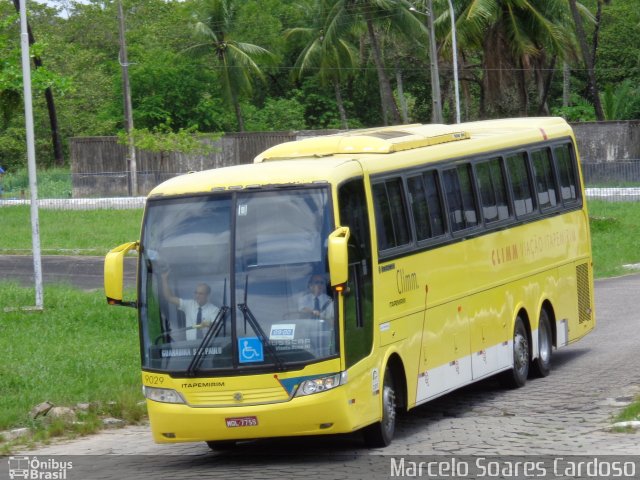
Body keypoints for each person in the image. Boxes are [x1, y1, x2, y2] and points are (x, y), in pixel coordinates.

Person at [161, 271, 219, 341]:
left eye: (201, 294)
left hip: (208, 348)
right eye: (196, 293)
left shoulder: (214, 310)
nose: (197, 296)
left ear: (208, 295)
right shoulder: (189, 305)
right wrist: (164, 279)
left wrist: (205, 324)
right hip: (190, 347)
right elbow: (169, 297)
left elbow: (215, 326)